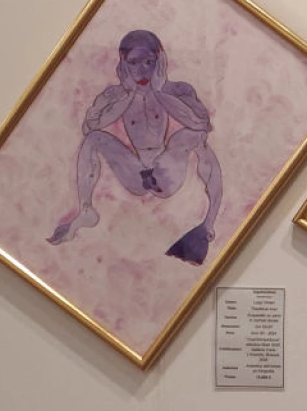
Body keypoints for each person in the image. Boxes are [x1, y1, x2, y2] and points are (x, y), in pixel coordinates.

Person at [47, 29, 223, 265]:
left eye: (149, 62)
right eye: (134, 63)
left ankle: (209, 222)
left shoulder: (178, 91)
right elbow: (90, 126)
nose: (142, 71)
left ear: (160, 61)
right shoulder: (114, 95)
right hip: (135, 171)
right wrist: (129, 94)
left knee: (192, 136)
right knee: (94, 139)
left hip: (167, 172)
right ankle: (86, 210)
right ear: (123, 64)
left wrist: (159, 91)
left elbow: (202, 124)